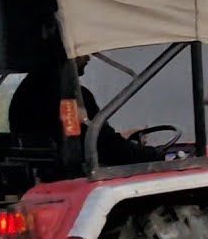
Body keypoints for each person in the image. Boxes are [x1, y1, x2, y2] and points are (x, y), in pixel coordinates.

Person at [8, 55, 164, 169]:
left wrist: (120, 138)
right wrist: (155, 155)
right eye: (81, 51)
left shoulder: (26, 93)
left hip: (41, 173)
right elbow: (109, 150)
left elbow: (84, 136)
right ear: (67, 52)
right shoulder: (70, 97)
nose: (88, 58)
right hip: (70, 176)